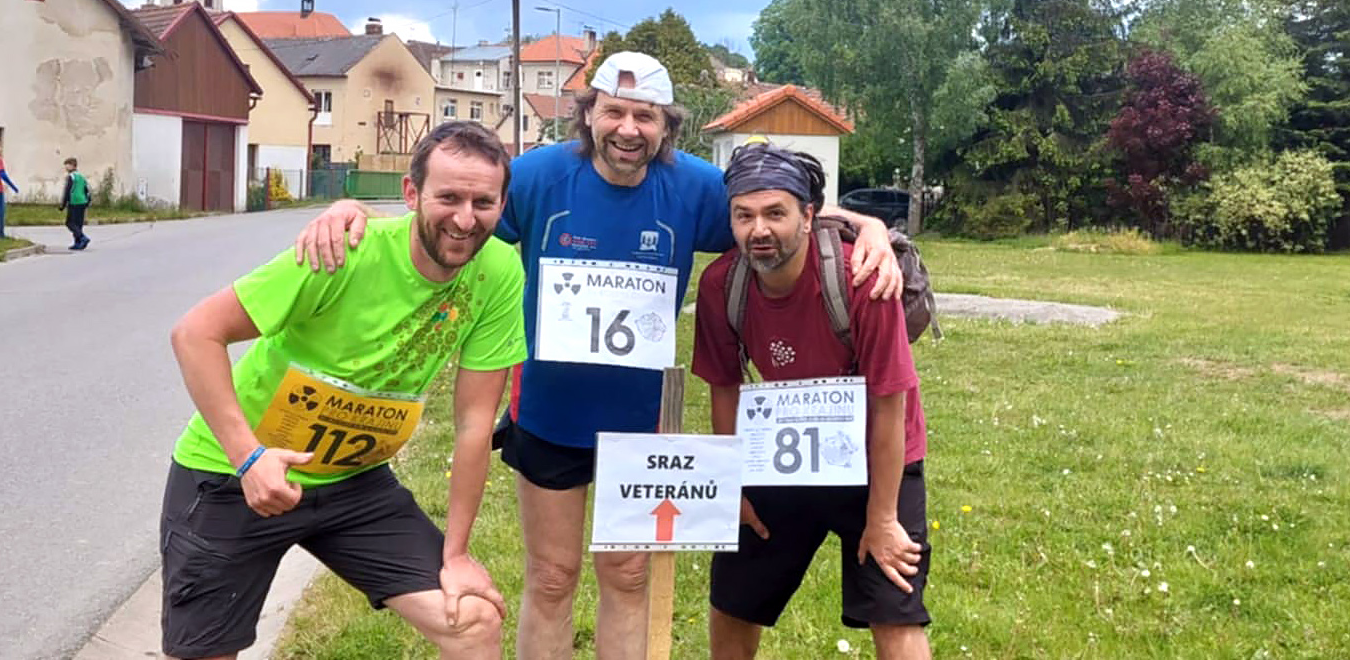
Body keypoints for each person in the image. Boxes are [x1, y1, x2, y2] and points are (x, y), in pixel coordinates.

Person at [295, 52, 905, 659]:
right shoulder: (537, 176)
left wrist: (867, 227)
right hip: (549, 416)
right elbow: (455, 215)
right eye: (614, 111)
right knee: (551, 578)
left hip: (640, 425)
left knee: (628, 576)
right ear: (588, 114)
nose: (628, 129)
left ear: (667, 126)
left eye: (645, 116)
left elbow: (776, 206)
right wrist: (356, 212)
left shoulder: (694, 186)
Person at [162, 121, 527, 660]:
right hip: (232, 474)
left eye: (483, 203)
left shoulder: (498, 270)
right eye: (448, 198)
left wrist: (457, 555)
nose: (465, 219)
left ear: (502, 204)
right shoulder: (342, 252)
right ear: (411, 193)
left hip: (352, 482)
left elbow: (475, 424)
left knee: (472, 618)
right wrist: (249, 459)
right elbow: (195, 334)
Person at [691, 142, 931, 660]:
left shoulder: (863, 279)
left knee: (896, 610)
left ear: (807, 216)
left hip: (877, 456)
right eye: (744, 216)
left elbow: (890, 404)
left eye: (775, 214)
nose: (759, 230)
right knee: (732, 603)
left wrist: (882, 517)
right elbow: (725, 389)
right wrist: (732, 486)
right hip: (781, 454)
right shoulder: (720, 286)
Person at [57, 157, 91, 250]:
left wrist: (63, 204)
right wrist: (88, 201)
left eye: (67, 165)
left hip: (74, 201)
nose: (66, 168)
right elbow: (87, 189)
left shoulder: (71, 177)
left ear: (72, 166)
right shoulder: (82, 176)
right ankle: (78, 242)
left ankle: (83, 238)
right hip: (82, 201)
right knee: (78, 223)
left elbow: (67, 190)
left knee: (70, 223)